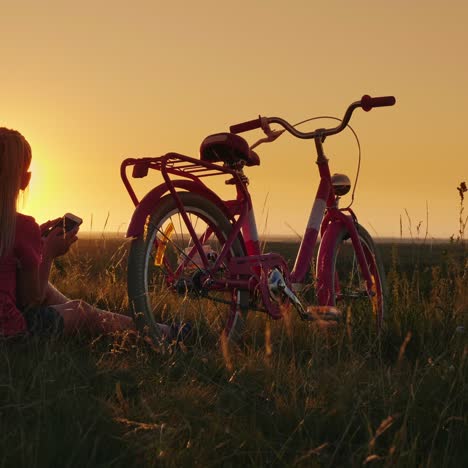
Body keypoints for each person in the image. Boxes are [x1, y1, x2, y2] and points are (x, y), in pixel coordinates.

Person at [0, 127, 184, 341]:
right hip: (9, 331)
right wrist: (48, 253)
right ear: (25, 179)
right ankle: (161, 333)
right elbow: (30, 300)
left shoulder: (18, 230)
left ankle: (155, 328)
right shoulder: (22, 226)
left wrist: (35, 247)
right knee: (82, 311)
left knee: (60, 297)